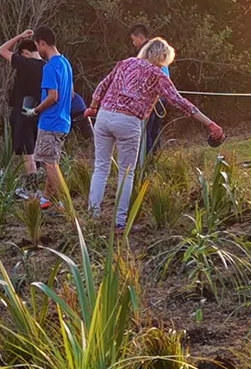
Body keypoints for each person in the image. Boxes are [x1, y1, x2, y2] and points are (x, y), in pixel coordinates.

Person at [86, 38, 226, 231]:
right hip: (128, 121)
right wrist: (209, 123)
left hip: (104, 116)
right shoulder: (158, 74)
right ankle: (119, 222)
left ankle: (92, 217)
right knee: (126, 174)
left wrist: (93, 108)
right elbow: (178, 101)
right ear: (162, 56)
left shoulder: (126, 63)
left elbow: (102, 85)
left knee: (100, 168)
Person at [24, 26, 74, 210]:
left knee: (49, 164)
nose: (38, 50)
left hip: (50, 122)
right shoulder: (65, 63)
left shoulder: (50, 67)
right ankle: (46, 197)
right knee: (50, 160)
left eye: (38, 46)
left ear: (42, 43)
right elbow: (71, 93)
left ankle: (64, 202)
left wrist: (35, 111)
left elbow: (53, 96)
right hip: (63, 121)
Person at [0, 29, 44, 175]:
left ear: (25, 52)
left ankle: (32, 185)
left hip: (24, 111)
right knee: (38, 151)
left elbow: (1, 50)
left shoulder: (24, 63)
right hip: (41, 111)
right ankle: (40, 182)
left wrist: (20, 36)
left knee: (27, 151)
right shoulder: (47, 66)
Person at [127, 23, 172, 163]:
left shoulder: (146, 53)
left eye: (134, 40)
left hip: (153, 97)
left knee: (146, 131)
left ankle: (146, 161)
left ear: (140, 37)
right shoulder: (159, 50)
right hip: (163, 95)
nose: (133, 43)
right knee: (154, 129)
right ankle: (154, 158)